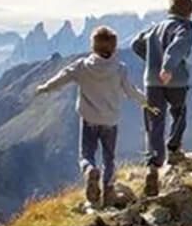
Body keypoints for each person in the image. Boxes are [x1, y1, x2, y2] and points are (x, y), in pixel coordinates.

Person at [35, 26, 156, 206]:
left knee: (86, 154)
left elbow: (62, 77)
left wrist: (45, 87)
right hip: (110, 122)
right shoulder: (120, 69)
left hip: (89, 119)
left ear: (93, 46)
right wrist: (147, 103)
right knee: (109, 158)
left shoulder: (82, 66)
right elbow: (130, 91)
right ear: (114, 48)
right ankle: (108, 192)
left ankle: (90, 170)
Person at [133, 0, 192, 197]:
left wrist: (152, 60)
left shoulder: (155, 27)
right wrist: (167, 66)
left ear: (170, 9)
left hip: (151, 81)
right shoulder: (185, 27)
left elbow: (136, 44)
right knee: (179, 111)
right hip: (175, 79)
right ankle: (174, 148)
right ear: (190, 12)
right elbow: (179, 44)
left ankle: (154, 163)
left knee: (154, 119)